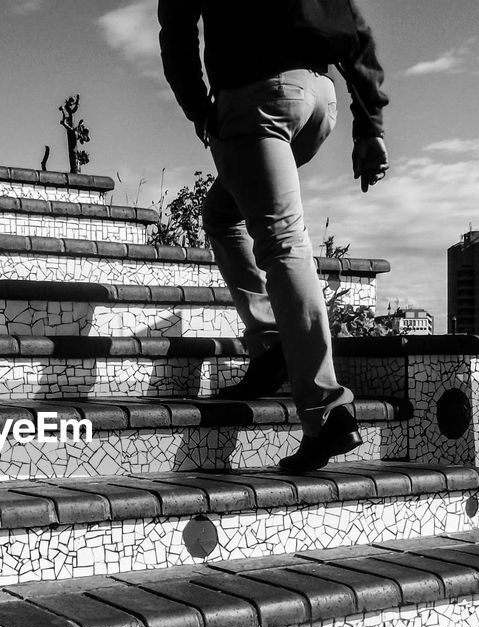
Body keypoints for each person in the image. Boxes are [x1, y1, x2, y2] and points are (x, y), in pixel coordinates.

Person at [159, 0, 390, 471]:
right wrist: (370, 125)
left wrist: (200, 109)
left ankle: (327, 410)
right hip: (318, 99)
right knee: (224, 214)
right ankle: (272, 346)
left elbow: (177, 30)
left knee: (283, 243)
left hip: (256, 96)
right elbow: (356, 28)